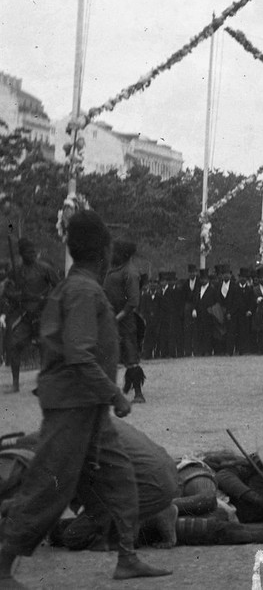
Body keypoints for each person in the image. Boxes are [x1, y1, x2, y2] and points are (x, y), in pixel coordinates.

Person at [0, 210, 170, 583]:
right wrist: (115, 395)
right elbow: (79, 355)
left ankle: (127, 557)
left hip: (86, 405)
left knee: (121, 477)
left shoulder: (77, 287)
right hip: (73, 405)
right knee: (48, 488)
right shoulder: (82, 291)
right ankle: (2, 565)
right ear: (104, 252)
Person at [52, 419, 180, 551]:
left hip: (148, 487)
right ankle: (151, 513)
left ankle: (148, 519)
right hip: (165, 476)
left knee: (73, 538)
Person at [3, 238, 60, 393]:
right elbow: (6, 290)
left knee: (45, 348)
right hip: (24, 314)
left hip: (43, 314)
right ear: (22, 254)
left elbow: (59, 287)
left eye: (33, 251)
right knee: (14, 346)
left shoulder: (45, 269)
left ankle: (44, 383)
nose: (32, 254)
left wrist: (47, 299)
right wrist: (15, 295)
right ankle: (15, 384)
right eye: (28, 252)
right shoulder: (16, 271)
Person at [103, 240, 147, 404]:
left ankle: (138, 393)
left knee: (130, 356)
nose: (112, 255)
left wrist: (118, 317)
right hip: (109, 319)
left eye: (115, 252)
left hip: (125, 321)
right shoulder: (111, 270)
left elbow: (133, 302)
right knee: (107, 356)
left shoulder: (130, 273)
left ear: (123, 254)